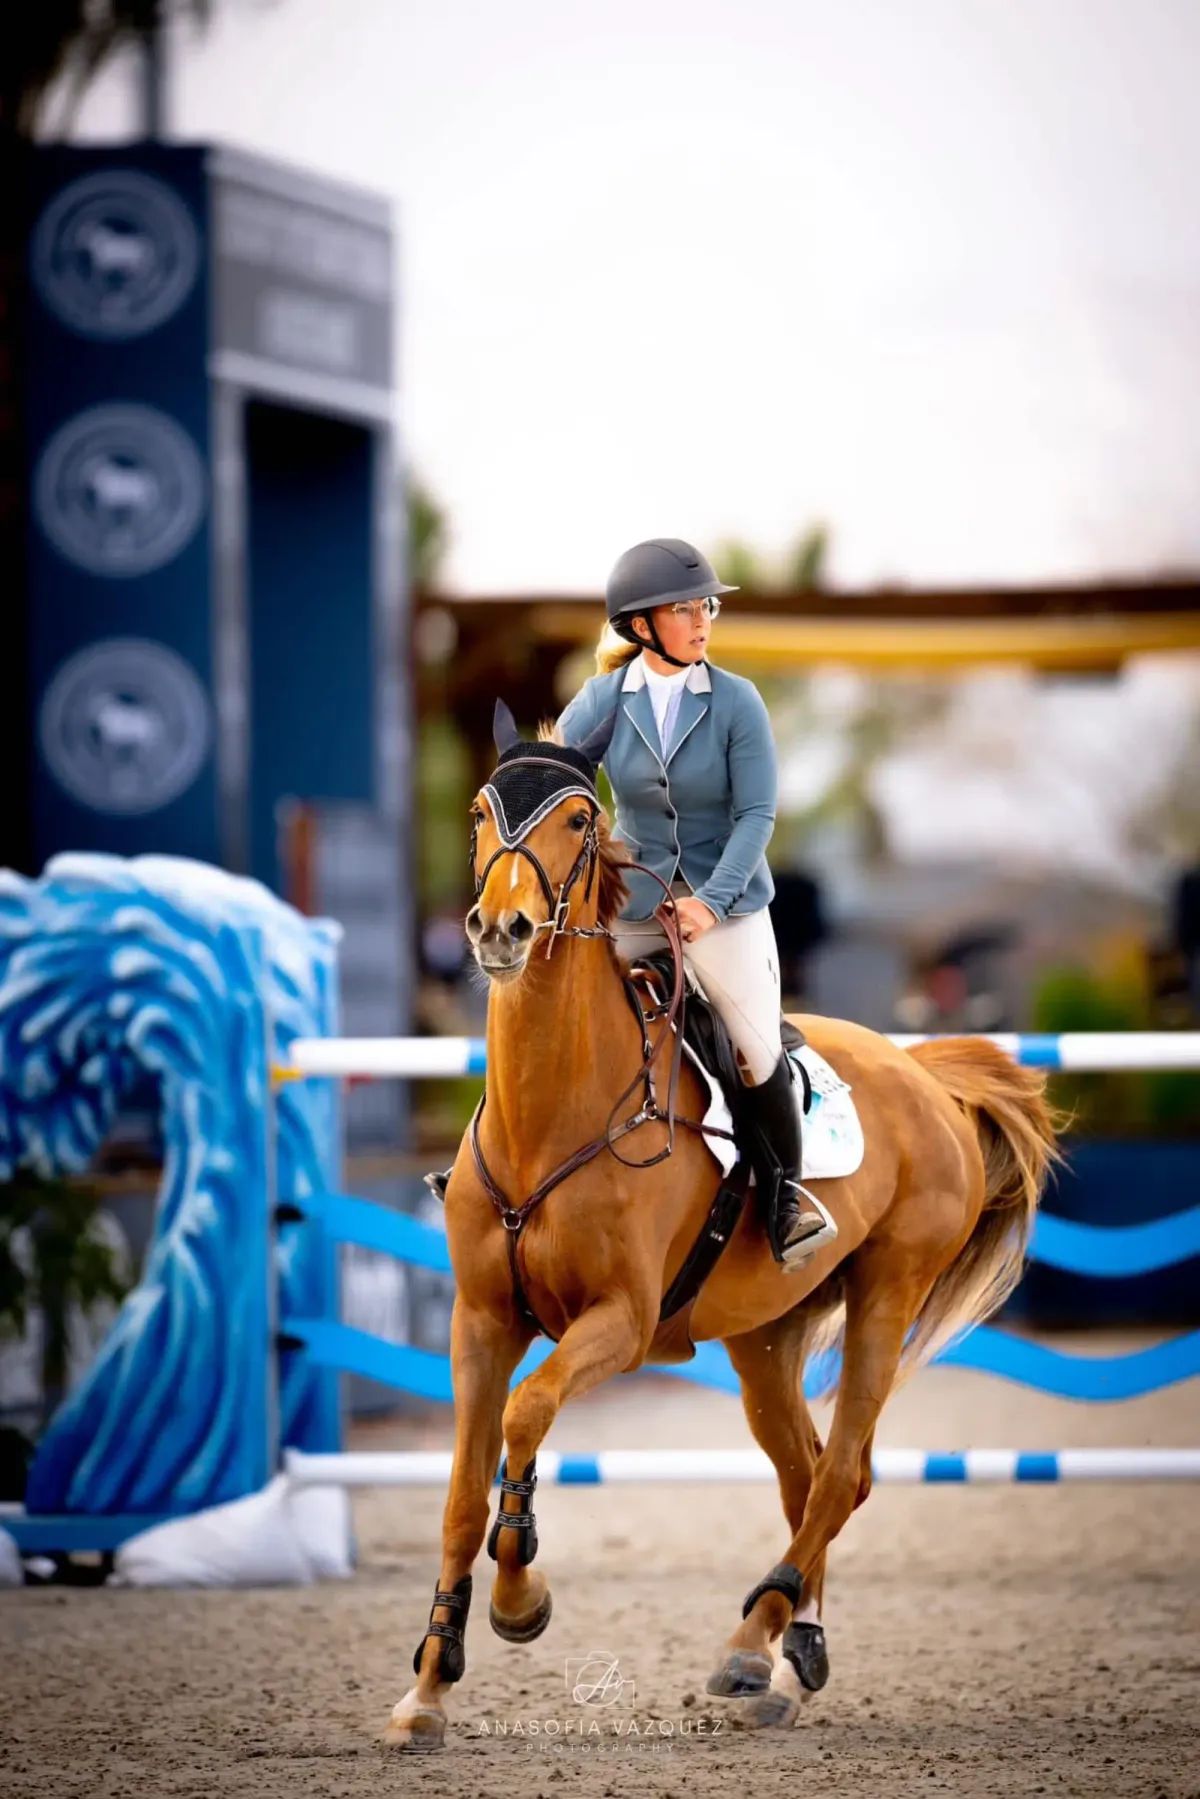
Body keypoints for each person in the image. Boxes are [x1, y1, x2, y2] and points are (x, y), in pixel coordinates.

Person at [557, 537, 837, 1267]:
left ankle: (785, 1198)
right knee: (556, 999)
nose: (702, 618)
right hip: (636, 904)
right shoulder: (602, 701)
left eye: (704, 604)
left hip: (730, 906)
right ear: (640, 625)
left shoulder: (737, 701)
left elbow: (758, 818)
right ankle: (494, 1168)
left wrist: (710, 905)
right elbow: (564, 782)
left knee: (753, 1044)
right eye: (683, 607)